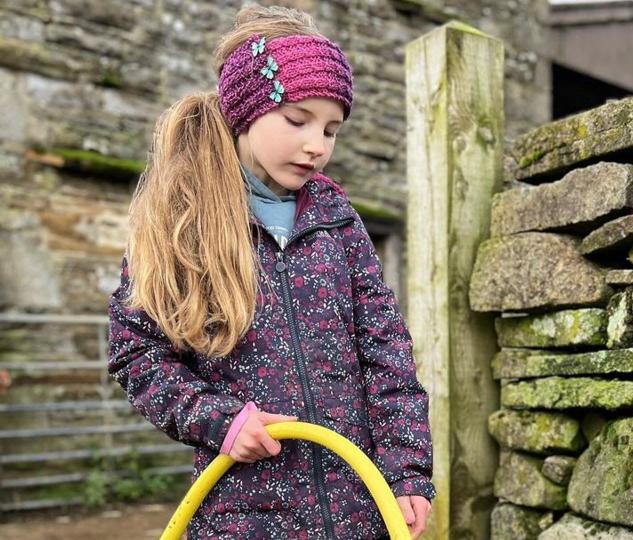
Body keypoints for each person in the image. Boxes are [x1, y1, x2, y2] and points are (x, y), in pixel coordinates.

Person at [106, 5, 435, 538]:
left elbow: (386, 353)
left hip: (358, 508)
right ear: (245, 111)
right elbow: (137, 353)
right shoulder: (183, 219)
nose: (317, 146)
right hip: (244, 516)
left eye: (331, 129)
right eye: (297, 120)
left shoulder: (336, 218)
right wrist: (220, 420)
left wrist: (407, 473)